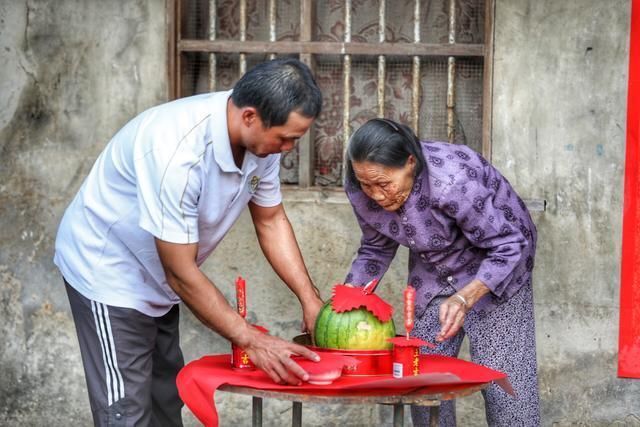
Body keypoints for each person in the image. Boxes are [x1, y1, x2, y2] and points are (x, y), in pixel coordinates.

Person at [54, 58, 325, 426]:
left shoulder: (262, 144)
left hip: (160, 277)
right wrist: (251, 339)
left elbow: (271, 219)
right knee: (125, 413)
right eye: (286, 138)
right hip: (108, 272)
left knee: (166, 402)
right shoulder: (178, 152)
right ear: (249, 117)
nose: (289, 148)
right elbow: (180, 273)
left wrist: (310, 299)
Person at [343, 118, 540, 426]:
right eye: (367, 185)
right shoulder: (360, 187)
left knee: (503, 382)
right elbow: (376, 248)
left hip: (498, 262)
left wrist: (466, 297)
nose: (377, 196)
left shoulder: (452, 181)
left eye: (384, 184)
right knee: (423, 381)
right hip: (434, 268)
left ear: (410, 162)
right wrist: (345, 304)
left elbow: (509, 245)